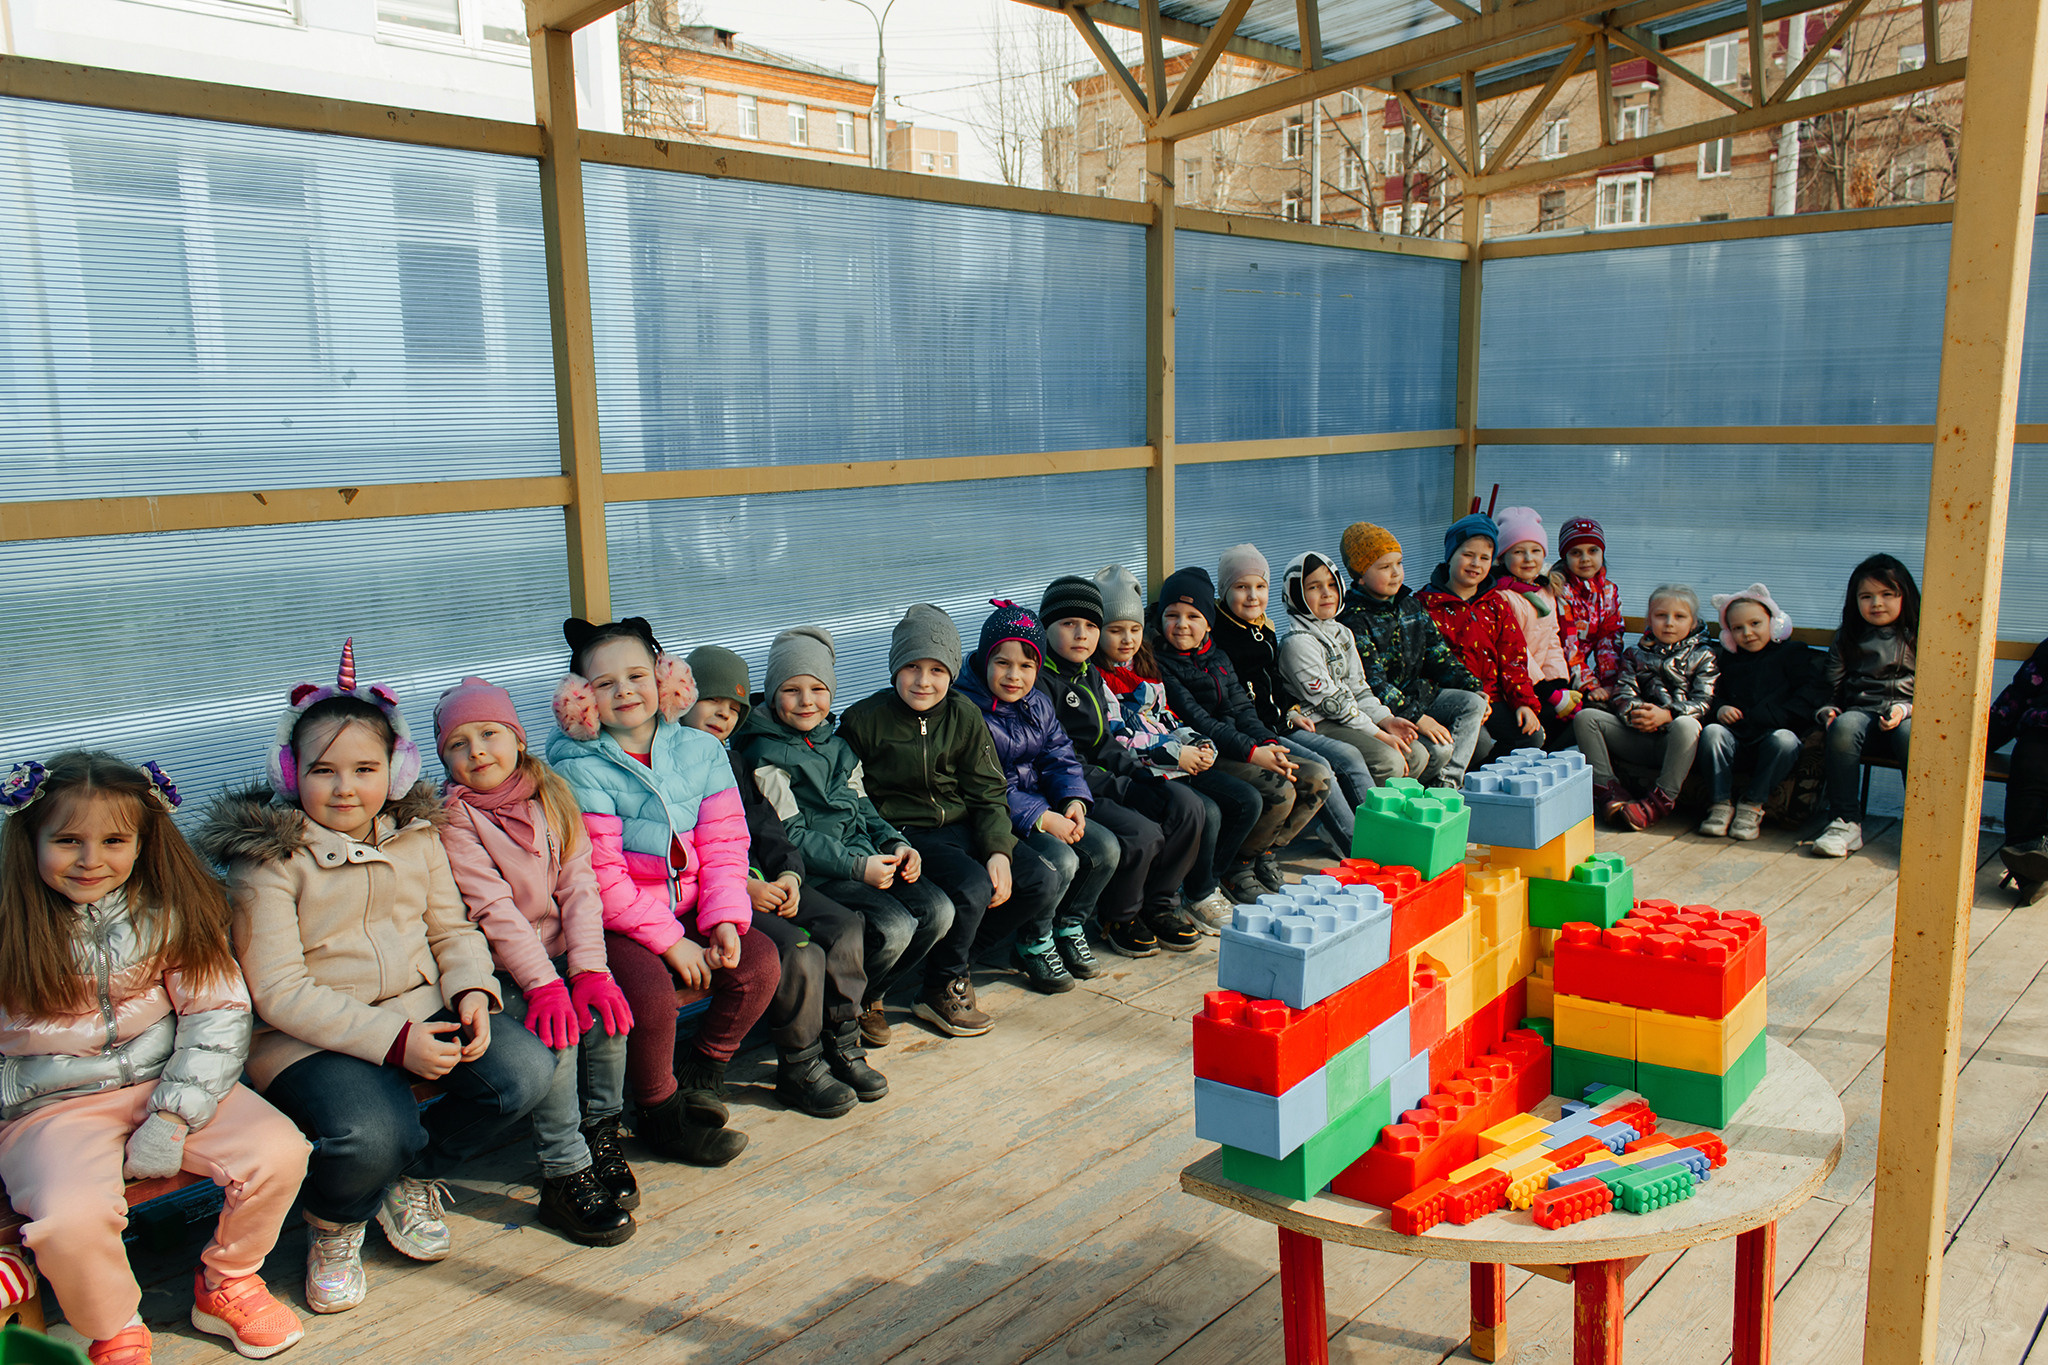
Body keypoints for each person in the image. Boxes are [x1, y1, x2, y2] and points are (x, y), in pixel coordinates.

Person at [198, 641, 554, 1315]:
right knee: (370, 1127)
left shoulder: (416, 835)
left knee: (523, 1072)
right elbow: (279, 989)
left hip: (417, 1005)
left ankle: (408, 1178)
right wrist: (397, 1042)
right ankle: (335, 1224)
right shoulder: (268, 861)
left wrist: (473, 991)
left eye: (364, 768)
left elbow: (452, 929)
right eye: (323, 770)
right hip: (304, 1036)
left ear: (395, 770)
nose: (344, 787)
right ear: (289, 771)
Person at [0, 753, 310, 1364]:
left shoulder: (169, 910)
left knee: (280, 1152)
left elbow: (217, 1011)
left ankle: (227, 1280)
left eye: (114, 840)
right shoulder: (10, 926)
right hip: (53, 1109)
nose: (92, 860)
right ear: (30, 840)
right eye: (67, 840)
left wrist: (173, 1115)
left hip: (172, 1081)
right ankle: (112, 1326)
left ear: (143, 842)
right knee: (70, 1219)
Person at [546, 618, 778, 1167]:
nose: (625, 691)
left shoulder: (701, 749)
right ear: (582, 699)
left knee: (760, 962)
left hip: (691, 901)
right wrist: (673, 942)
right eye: (605, 684)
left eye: (636, 675)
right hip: (617, 918)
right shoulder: (578, 767)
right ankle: (657, 1111)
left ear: (666, 678)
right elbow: (601, 877)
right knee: (649, 999)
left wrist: (724, 919)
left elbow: (725, 845)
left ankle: (702, 1073)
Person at [433, 677, 637, 1245]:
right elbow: (493, 911)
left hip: (564, 951)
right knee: (561, 1036)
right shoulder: (454, 819)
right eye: (458, 743)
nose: (477, 752)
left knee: (608, 1020)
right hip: (505, 964)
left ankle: (601, 1133)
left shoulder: (551, 795)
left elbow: (580, 886)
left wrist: (590, 970)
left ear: (517, 739)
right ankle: (564, 1170)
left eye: (490, 734)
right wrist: (545, 986)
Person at [684, 640, 886, 1114]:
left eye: (734, 707)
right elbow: (691, 851)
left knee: (844, 926)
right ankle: (800, 1065)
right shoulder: (676, 762)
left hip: (761, 881)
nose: (724, 715)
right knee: (800, 950)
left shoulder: (729, 761)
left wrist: (790, 874)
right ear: (680, 699)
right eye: (712, 701)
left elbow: (768, 828)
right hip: (719, 894)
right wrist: (745, 886)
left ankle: (842, 1039)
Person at [729, 636, 954, 1051]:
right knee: (894, 926)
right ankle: (842, 1007)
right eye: (791, 690)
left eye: (818, 689)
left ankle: (869, 994)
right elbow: (790, 835)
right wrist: (857, 866)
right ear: (774, 693)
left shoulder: (838, 743)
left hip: (862, 856)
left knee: (939, 910)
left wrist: (896, 842)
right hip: (818, 871)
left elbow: (863, 807)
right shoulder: (762, 753)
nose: (806, 701)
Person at [840, 605, 1038, 1038]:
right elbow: (849, 793)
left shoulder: (963, 714)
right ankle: (939, 987)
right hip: (907, 831)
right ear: (895, 667)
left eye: (936, 669)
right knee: (971, 886)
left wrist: (998, 850)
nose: (924, 681)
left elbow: (988, 788)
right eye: (912, 666)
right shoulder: (863, 720)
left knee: (1039, 879)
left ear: (952, 672)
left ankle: (951, 960)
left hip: (961, 823)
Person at [1037, 575, 1205, 959]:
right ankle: (1120, 916)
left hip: (1106, 776)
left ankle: (1158, 904)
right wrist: (1126, 788)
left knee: (1187, 806)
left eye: (1091, 626)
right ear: (1047, 627)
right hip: (1068, 790)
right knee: (1142, 834)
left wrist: (1141, 774)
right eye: (1068, 624)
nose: (1082, 635)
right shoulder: (1042, 682)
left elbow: (1105, 743)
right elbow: (1061, 761)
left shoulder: (1089, 674)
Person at [1091, 564, 1256, 922]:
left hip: (1174, 758)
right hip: (1145, 767)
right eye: (1115, 630)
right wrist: (1177, 754)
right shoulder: (1098, 676)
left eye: (1134, 629)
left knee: (1246, 800)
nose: (1127, 639)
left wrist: (1199, 743)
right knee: (1207, 810)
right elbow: (1118, 736)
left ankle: (1205, 882)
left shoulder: (1144, 664)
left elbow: (1166, 715)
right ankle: (1193, 894)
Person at [1152, 567, 1330, 897]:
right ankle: (1237, 866)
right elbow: (1199, 721)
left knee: (1317, 777)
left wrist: (1269, 743)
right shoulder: (1160, 664)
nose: (1181, 625)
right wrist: (1253, 752)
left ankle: (1260, 851)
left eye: (1193, 616)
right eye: (1172, 615)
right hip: (1206, 752)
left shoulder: (1217, 656)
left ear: (1208, 621)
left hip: (1241, 744)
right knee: (1280, 790)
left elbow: (1242, 709)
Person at [956, 601, 1090, 994]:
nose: (1014, 676)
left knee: (1106, 849)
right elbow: (982, 784)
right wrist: (1042, 818)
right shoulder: (967, 710)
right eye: (1003, 663)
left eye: (1027, 666)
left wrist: (1074, 801)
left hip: (1044, 805)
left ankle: (1069, 926)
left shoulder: (1038, 703)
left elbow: (1060, 755)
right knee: (1061, 860)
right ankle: (1034, 941)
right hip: (999, 815)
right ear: (984, 661)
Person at [1212, 544, 1375, 854]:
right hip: (1255, 733)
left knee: (1349, 756)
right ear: (1224, 591)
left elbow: (1276, 680)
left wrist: (1291, 710)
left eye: (1260, 587)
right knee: (1322, 766)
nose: (1252, 596)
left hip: (1281, 725)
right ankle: (1357, 849)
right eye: (1241, 587)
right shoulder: (1221, 636)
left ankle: (1379, 833)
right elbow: (1232, 700)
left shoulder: (1263, 629)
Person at [1336, 522, 1486, 789]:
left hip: (1419, 695)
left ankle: (1447, 786)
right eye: (1384, 567)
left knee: (1472, 702)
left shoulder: (1410, 604)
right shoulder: (1353, 620)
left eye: (1399, 563)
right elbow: (1374, 684)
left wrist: (1474, 687)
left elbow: (1438, 654)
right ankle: (1424, 792)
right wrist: (1418, 717)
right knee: (1438, 751)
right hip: (1385, 713)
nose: (1395, 573)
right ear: (1360, 576)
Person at [1570, 586, 1719, 830]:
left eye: (1679, 617)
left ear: (1693, 622)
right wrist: (1636, 714)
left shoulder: (1705, 656)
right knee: (1587, 717)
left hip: (1676, 743)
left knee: (1687, 723)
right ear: (1649, 619)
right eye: (1661, 616)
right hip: (1638, 735)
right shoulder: (1634, 654)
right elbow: (1622, 693)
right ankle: (1608, 790)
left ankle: (1662, 799)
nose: (1669, 623)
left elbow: (1704, 701)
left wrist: (1667, 714)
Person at [1695, 587, 1826, 842]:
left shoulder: (1794, 654)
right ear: (1729, 635)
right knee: (1712, 733)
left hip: (1773, 736)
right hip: (1736, 737)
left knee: (1785, 740)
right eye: (1738, 628)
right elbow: (1708, 693)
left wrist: (1774, 715)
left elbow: (1809, 696)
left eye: (1755, 623)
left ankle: (1752, 805)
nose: (1748, 633)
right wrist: (1720, 708)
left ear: (1774, 623)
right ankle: (1720, 804)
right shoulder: (1726, 660)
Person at [1813, 554, 1921, 858]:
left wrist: (1905, 710)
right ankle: (1845, 822)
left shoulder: (1922, 636)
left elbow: (1938, 693)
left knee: (1910, 734)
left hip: (1908, 717)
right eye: (1867, 596)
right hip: (1862, 717)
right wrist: (1829, 711)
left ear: (1905, 596)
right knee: (1845, 725)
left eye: (1888, 594)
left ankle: (1924, 828)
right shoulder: (1847, 637)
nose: (1877, 603)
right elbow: (1829, 690)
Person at [1276, 550, 1411, 788]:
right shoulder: (1297, 642)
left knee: (1414, 753)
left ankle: (1400, 816)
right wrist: (1380, 735)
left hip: (1351, 715)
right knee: (1389, 760)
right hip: (1319, 720)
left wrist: (1386, 719)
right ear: (1296, 593)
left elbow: (1359, 688)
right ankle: (1367, 819)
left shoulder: (1341, 632)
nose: (1327, 593)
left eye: (1331, 584)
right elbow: (1333, 703)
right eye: (1314, 587)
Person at [1417, 513, 1543, 756]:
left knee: (1532, 734)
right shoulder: (1426, 605)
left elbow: (1514, 657)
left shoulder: (1496, 604)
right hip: (1453, 702)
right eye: (1467, 555)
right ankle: (1464, 787)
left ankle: (1496, 787)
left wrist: (1523, 702)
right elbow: (1423, 666)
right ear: (1450, 555)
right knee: (1480, 744)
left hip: (1494, 699)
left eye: (1484, 558)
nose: (1476, 563)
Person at [1488, 506, 1582, 747]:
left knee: (1579, 718)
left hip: (1541, 683)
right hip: (1513, 685)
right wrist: (1548, 693)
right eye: (1518, 551)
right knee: (1542, 725)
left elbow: (1552, 638)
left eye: (1535, 550)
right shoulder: (1502, 596)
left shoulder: (1546, 589)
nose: (1529, 559)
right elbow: (1515, 650)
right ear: (1502, 557)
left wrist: (1561, 684)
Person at [1989, 639, 2048, 903]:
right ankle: (2026, 856)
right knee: (2029, 762)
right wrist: (1982, 741)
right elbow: (2016, 697)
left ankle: (2032, 871)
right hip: (2041, 732)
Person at [1553, 517, 1626, 706]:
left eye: (1593, 551)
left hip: (1580, 672)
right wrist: (1590, 684)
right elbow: (1567, 645)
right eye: (1576, 552)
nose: (1585, 559)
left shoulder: (1609, 592)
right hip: (1555, 674)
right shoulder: (1560, 591)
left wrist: (1609, 683)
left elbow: (1609, 639)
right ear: (1565, 557)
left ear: (1602, 552)